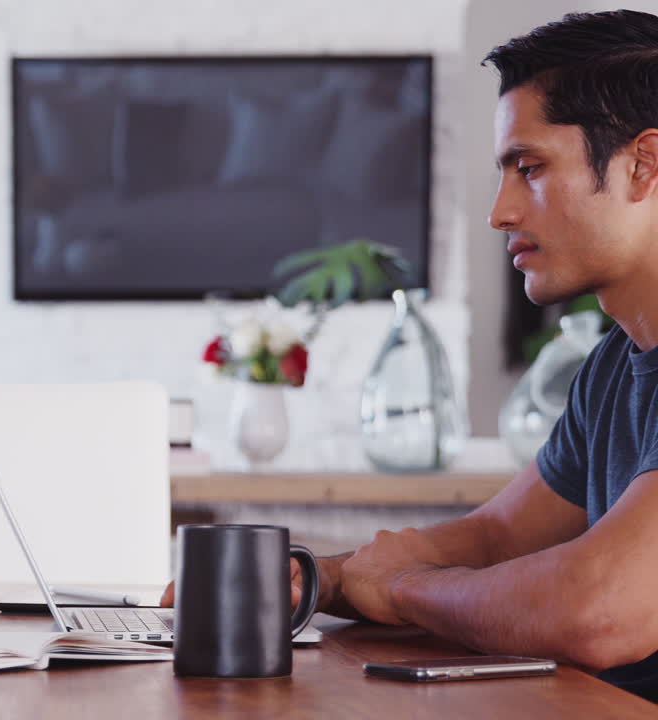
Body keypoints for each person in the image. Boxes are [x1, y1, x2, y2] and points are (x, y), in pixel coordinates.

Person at [164, 9, 658, 702]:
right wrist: (325, 578)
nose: (500, 212)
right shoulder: (614, 367)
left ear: (643, 165)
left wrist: (403, 591)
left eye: (530, 168)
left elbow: (599, 610)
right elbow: (497, 536)